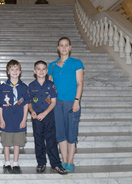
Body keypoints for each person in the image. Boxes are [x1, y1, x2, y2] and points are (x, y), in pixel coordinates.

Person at [48, 37, 84, 172]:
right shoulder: (52, 65)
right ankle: (64, 160)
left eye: (66, 45)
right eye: (61, 45)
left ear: (70, 47)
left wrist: (76, 100)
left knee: (71, 132)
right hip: (57, 103)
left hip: (71, 102)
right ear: (58, 48)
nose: (64, 48)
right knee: (60, 133)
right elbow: (50, 85)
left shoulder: (77, 63)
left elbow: (80, 83)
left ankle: (71, 160)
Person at [28, 60, 67, 175]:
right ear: (35, 71)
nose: (41, 71)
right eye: (38, 69)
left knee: (51, 140)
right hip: (36, 118)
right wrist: (32, 111)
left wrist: (44, 113)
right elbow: (29, 102)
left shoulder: (51, 85)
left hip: (48, 116)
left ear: (47, 71)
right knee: (38, 140)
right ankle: (41, 163)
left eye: (43, 69)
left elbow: (53, 102)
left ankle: (56, 164)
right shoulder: (31, 86)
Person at [0, 60, 29, 174]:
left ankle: (15, 164)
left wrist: (24, 119)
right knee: (6, 143)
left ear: (20, 71)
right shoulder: (3, 87)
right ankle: (7, 164)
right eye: (12, 69)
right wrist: (1, 119)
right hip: (7, 119)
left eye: (17, 69)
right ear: (8, 72)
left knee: (17, 143)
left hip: (19, 120)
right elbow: (1, 105)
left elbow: (25, 104)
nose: (15, 71)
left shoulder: (24, 87)